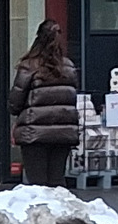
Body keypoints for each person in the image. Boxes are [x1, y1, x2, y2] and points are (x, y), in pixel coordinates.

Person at [8, 20, 79, 187]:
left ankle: (41, 212)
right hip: (63, 132)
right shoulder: (68, 67)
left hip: (35, 133)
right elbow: (71, 98)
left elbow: (15, 102)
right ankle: (58, 212)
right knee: (57, 181)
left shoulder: (29, 66)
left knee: (37, 184)